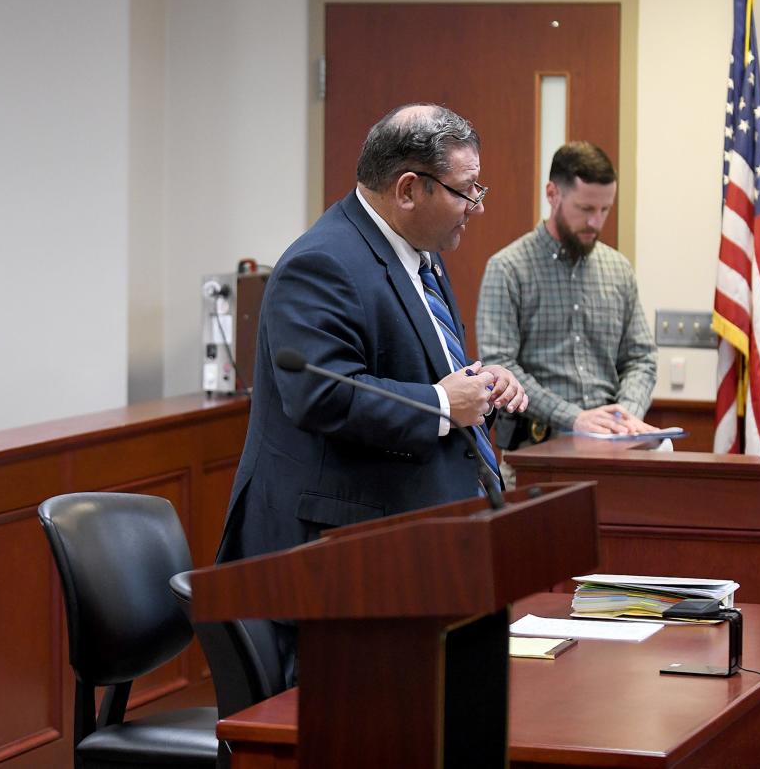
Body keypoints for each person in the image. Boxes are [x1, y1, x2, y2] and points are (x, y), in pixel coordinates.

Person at [215, 104, 528, 681]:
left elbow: (416, 366)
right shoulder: (322, 262)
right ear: (409, 189)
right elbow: (321, 394)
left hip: (413, 547)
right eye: (466, 191)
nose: (476, 208)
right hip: (336, 563)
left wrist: (478, 381)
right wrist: (440, 404)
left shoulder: (420, 255)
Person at [477, 141, 657, 484]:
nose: (596, 221)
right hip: (536, 456)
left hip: (614, 455)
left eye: (605, 210)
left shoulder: (618, 269)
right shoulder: (508, 268)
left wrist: (625, 414)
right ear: (552, 193)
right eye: (586, 208)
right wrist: (574, 418)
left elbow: (641, 358)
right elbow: (501, 366)